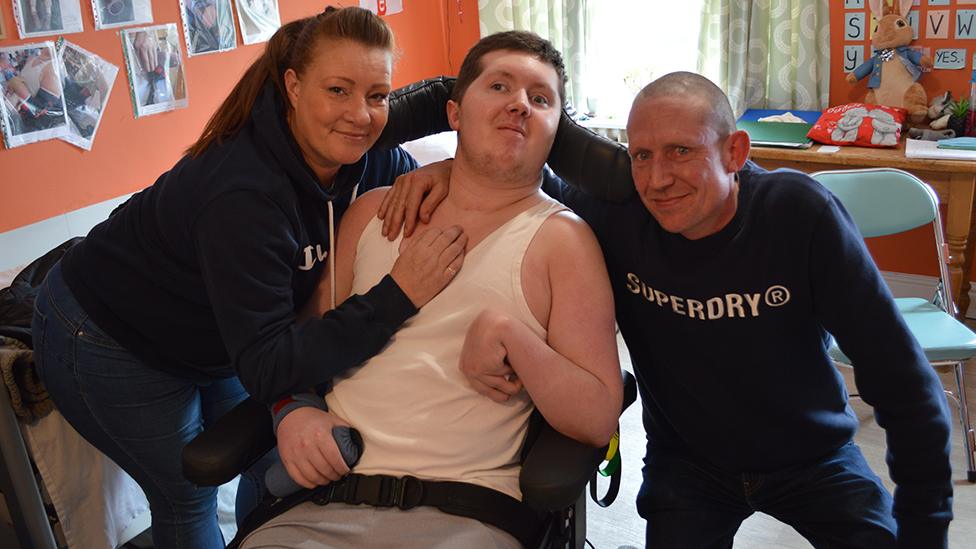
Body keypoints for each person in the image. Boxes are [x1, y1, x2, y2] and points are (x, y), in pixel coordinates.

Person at [382, 71, 954, 548]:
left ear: (735, 151)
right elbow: (513, 174)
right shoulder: (614, 218)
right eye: (641, 156)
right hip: (690, 464)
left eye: (681, 151)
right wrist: (447, 170)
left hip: (813, 455)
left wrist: (927, 532)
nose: (658, 180)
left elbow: (904, 383)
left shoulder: (799, 217)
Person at [31, 7, 466, 549]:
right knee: (187, 498)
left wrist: (447, 169)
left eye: (377, 95)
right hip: (107, 333)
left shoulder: (365, 153)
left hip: (220, 328)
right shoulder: (244, 194)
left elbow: (457, 120)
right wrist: (397, 296)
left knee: (270, 461)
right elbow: (267, 364)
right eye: (338, 90)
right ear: (293, 86)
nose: (360, 114)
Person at [240, 31, 623, 549]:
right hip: (321, 501)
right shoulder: (372, 213)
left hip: (463, 514)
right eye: (500, 86)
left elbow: (598, 416)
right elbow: (298, 348)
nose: (519, 104)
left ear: (556, 129)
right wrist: (293, 408)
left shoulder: (564, 242)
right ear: (455, 113)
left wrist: (514, 335)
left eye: (540, 98)